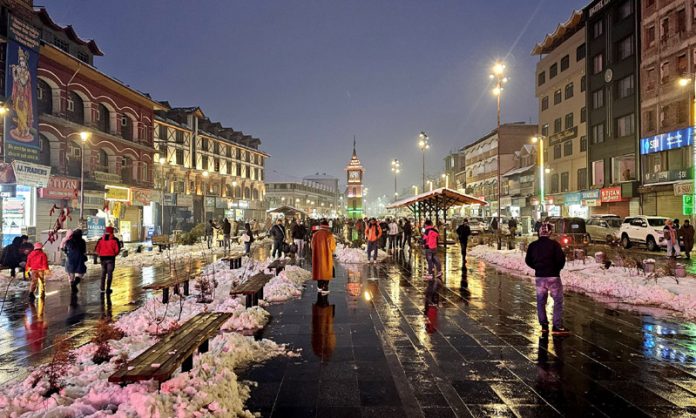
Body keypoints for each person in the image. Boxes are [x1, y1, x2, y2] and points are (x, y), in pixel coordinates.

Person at [525, 223, 569, 335]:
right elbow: (561, 260)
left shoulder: (533, 245)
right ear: (549, 233)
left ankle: (544, 325)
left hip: (540, 277)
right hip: (553, 277)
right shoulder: (554, 245)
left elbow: (528, 261)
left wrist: (537, 267)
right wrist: (556, 269)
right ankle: (557, 326)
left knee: (541, 301)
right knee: (558, 301)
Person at [311, 219, 336, 295]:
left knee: (319, 271)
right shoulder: (329, 235)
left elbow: (312, 246)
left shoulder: (315, 235)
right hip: (326, 256)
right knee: (326, 271)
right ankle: (325, 287)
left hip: (317, 256)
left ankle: (319, 286)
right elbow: (332, 247)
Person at [95, 226, 122, 294]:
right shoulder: (115, 239)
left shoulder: (100, 239)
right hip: (111, 258)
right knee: (110, 273)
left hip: (103, 258)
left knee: (103, 272)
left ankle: (102, 288)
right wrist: (113, 254)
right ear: (112, 231)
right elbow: (117, 250)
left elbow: (97, 249)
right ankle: (108, 289)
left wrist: (101, 254)